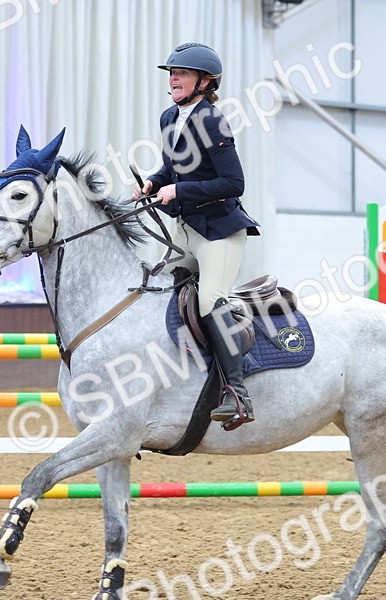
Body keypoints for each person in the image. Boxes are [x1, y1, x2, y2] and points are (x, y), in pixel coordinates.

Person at [132, 42, 261, 428]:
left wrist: (180, 192)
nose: (173, 78)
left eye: (182, 73)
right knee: (161, 291)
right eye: (172, 72)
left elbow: (233, 182)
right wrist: (154, 183)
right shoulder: (169, 117)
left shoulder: (213, 122)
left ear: (205, 82)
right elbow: (174, 169)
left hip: (218, 233)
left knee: (209, 300)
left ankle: (238, 394)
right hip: (186, 230)